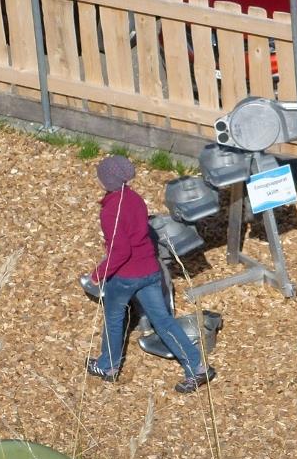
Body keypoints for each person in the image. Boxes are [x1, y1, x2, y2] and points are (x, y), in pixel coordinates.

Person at [85, 155, 215, 393]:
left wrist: (99, 273)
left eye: (100, 175)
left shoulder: (110, 211)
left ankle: (108, 366)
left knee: (114, 320)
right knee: (163, 321)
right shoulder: (135, 199)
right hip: (150, 271)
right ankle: (197, 367)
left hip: (126, 276)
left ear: (108, 181)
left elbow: (121, 251)